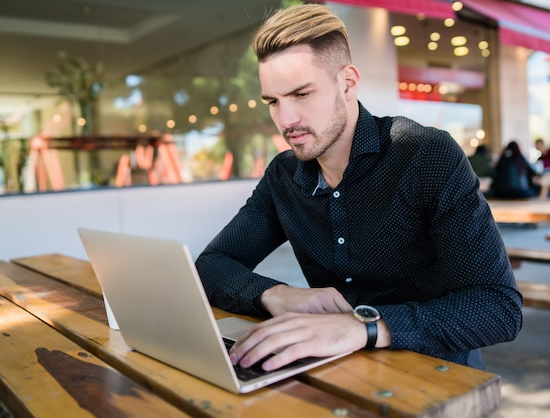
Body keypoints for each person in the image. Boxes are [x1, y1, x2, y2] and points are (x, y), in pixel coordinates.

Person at [196, 4, 522, 372]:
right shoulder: (283, 176)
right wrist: (276, 295)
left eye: (302, 94)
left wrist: (364, 326)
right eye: (273, 101)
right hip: (336, 370)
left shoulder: (424, 155)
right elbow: (211, 264)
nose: (285, 120)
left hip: (436, 372)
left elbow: (498, 307)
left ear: (348, 83)